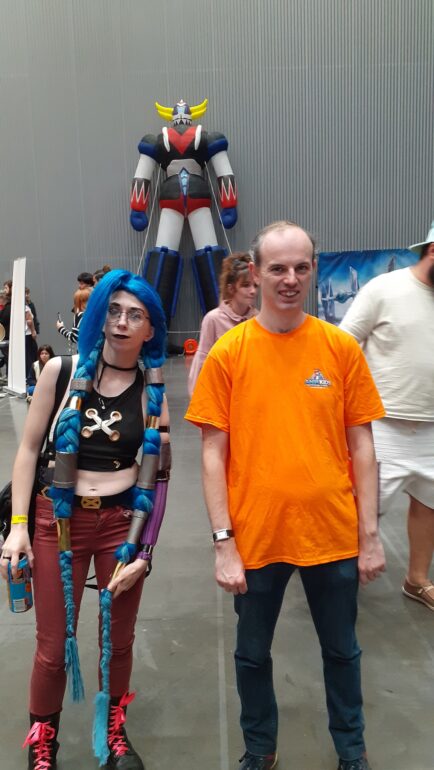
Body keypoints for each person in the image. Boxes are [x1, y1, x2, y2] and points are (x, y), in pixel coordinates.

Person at [185, 221, 386, 770]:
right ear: (255, 273)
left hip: (333, 534)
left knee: (342, 652)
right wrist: (223, 543)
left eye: (301, 267)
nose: (290, 278)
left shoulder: (339, 349)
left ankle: (351, 750)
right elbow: (212, 453)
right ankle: (260, 748)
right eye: (277, 268)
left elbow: (363, 446)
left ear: (314, 270)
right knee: (251, 655)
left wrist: (369, 535)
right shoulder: (229, 353)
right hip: (256, 537)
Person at [0, 270, 170, 770]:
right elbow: (28, 450)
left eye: (135, 314)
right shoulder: (61, 371)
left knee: (118, 643)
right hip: (56, 521)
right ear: (98, 314)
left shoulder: (152, 389)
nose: (121, 322)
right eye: (113, 310)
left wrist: (145, 552)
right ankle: (43, 744)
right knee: (53, 647)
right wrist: (17, 526)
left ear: (150, 329)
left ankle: (114, 733)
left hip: (123, 525)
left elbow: (159, 477)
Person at [340, 219, 434, 610]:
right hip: (381, 428)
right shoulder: (385, 289)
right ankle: (337, 581)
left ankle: (417, 580)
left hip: (432, 430)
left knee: (429, 506)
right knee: (361, 511)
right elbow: (343, 345)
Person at [188, 252, 257, 396]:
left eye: (255, 285)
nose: (253, 291)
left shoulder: (258, 319)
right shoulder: (213, 319)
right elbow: (202, 361)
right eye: (245, 285)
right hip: (221, 394)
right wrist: (197, 398)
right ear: (231, 288)